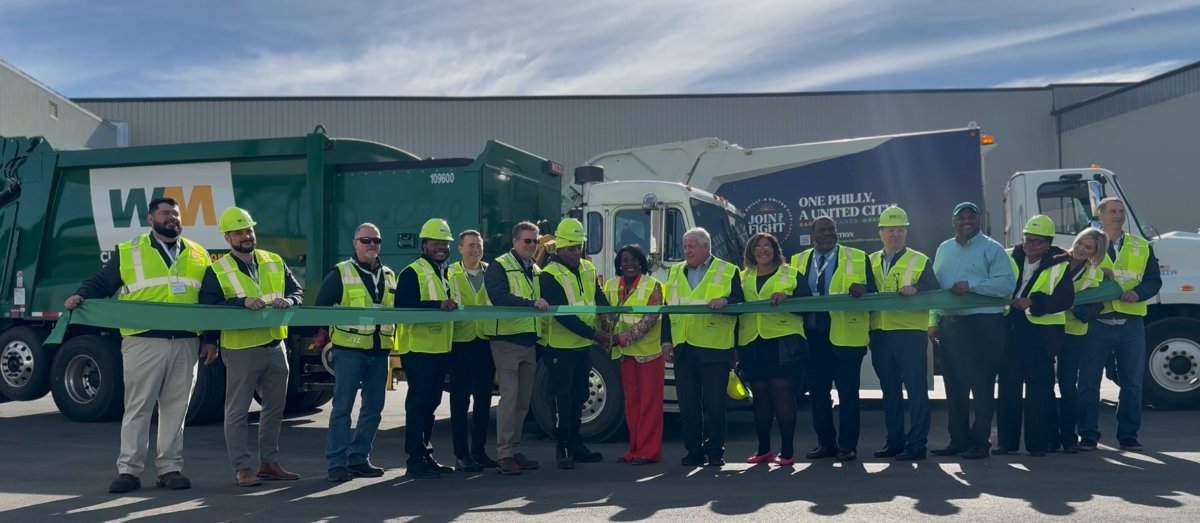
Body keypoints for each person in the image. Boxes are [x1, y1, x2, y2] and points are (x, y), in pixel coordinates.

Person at [66, 198, 211, 494]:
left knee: (175, 410)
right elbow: (101, 283)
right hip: (144, 341)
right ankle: (129, 472)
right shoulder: (130, 251)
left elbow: (209, 300)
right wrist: (80, 296)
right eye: (165, 213)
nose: (171, 218)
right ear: (151, 218)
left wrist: (210, 339)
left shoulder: (199, 253)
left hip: (185, 342)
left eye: (175, 213)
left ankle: (170, 469)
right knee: (138, 408)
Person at [199, 207, 305, 486]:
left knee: (274, 409)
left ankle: (268, 463)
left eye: (248, 230)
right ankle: (242, 468)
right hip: (241, 348)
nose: (246, 236)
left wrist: (291, 301)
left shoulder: (274, 261)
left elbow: (297, 291)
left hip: (275, 344)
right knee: (237, 411)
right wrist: (240, 302)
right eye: (239, 232)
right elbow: (208, 307)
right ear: (227, 238)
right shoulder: (217, 269)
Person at [928, 202, 1016, 460]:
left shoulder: (992, 248)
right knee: (954, 387)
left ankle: (980, 443)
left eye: (972, 217)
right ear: (953, 222)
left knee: (982, 386)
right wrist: (933, 319)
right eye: (961, 218)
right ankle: (958, 441)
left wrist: (972, 285)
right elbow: (936, 289)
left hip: (983, 325)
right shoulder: (944, 248)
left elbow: (1006, 285)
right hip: (951, 326)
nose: (967, 221)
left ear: (979, 221)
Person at [1077, 198, 1161, 452]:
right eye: (1113, 211)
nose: (1119, 215)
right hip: (1097, 323)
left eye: (1122, 211)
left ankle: (1128, 436)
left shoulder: (1142, 246)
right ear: (1099, 215)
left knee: (1132, 384)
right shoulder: (1088, 243)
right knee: (1089, 382)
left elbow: (1153, 281)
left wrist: (1139, 293)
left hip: (1130, 322)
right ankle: (1088, 436)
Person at [791, 217, 876, 462]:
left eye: (831, 229)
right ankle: (826, 444)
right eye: (822, 230)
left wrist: (863, 289)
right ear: (813, 234)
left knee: (848, 395)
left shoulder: (858, 257)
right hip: (812, 337)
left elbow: (873, 291)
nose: (828, 233)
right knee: (818, 395)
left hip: (846, 337)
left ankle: (848, 446)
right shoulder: (798, 261)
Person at [315, 223, 394, 482]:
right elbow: (321, 307)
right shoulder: (340, 273)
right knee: (342, 408)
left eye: (377, 240)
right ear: (355, 243)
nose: (372, 244)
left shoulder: (390, 275)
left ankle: (359, 458)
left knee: (374, 409)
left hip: (379, 351)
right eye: (366, 240)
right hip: (349, 351)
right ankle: (336, 462)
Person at [662, 227, 744, 467]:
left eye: (691, 246)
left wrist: (726, 301)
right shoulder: (675, 272)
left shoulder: (728, 270)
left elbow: (741, 302)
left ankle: (716, 451)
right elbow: (668, 308)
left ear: (706, 247)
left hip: (714, 347)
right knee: (687, 404)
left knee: (716, 404)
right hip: (683, 347)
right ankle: (694, 451)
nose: (686, 251)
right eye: (685, 246)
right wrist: (666, 341)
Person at [994, 216, 1074, 457]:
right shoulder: (1010, 257)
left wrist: (1034, 301)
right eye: (1027, 240)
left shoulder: (1060, 264)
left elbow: (1065, 299)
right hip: (1010, 329)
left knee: (1039, 391)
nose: (1030, 245)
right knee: (1008, 389)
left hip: (1041, 336)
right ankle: (1006, 443)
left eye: (1036, 242)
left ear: (1048, 244)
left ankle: (1038, 444)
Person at [867, 207, 940, 462]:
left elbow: (934, 290)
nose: (895, 235)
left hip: (909, 332)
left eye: (899, 230)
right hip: (880, 333)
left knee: (916, 389)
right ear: (881, 233)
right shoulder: (871, 260)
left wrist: (917, 287)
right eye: (890, 230)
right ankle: (895, 441)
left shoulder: (920, 260)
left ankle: (917, 444)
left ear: (905, 232)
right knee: (889, 390)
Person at [538, 218, 610, 469]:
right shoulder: (549, 275)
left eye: (579, 247)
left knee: (580, 394)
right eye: (571, 248)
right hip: (560, 346)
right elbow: (563, 315)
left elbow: (597, 296)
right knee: (561, 398)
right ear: (558, 248)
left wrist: (606, 312)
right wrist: (594, 335)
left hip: (582, 346)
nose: (576, 252)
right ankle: (563, 447)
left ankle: (576, 443)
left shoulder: (588, 269)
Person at [484, 221, 551, 475]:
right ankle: (503, 455)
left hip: (528, 342)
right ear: (514, 242)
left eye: (535, 241)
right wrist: (531, 303)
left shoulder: (534, 268)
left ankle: (514, 450)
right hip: (506, 341)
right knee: (509, 399)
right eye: (527, 241)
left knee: (523, 401)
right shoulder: (500, 266)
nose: (532, 245)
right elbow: (498, 297)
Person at [738, 233, 811, 466]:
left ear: (775, 249)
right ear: (751, 252)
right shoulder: (741, 277)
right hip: (752, 340)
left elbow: (808, 307)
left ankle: (787, 451)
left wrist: (787, 298)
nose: (762, 250)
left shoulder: (791, 274)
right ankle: (763, 450)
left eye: (767, 246)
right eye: (757, 247)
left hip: (783, 341)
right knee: (759, 393)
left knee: (781, 391)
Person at [394, 219, 459, 479]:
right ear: (424, 244)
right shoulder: (412, 272)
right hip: (419, 350)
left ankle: (425, 453)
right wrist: (437, 306)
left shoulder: (447, 272)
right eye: (436, 243)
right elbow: (403, 306)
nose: (441, 247)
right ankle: (414, 459)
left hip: (441, 348)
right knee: (419, 404)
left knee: (431, 403)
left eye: (445, 243)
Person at [603, 245, 665, 465]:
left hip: (650, 353)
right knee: (632, 405)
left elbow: (649, 320)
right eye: (625, 260)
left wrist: (620, 339)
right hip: (624, 355)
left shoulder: (653, 286)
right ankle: (634, 449)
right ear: (619, 263)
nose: (629, 264)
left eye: (633, 260)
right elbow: (604, 314)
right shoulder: (610, 286)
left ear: (641, 263)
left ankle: (648, 452)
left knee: (650, 404)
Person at [1051, 228, 1109, 454]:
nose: (1081, 249)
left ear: (1096, 252)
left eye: (1088, 247)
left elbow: (1092, 309)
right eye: (1080, 243)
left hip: (1074, 333)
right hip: (1047, 327)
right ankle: (1048, 436)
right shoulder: (1055, 260)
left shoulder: (1096, 274)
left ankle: (1068, 437)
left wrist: (1071, 305)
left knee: (1067, 385)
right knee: (1045, 385)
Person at [446, 230, 498, 472]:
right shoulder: (450, 273)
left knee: (484, 401)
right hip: (461, 343)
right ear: (460, 248)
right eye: (470, 246)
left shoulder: (492, 271)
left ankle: (479, 451)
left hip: (485, 342)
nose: (475, 250)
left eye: (478, 246)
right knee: (459, 401)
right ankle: (461, 454)